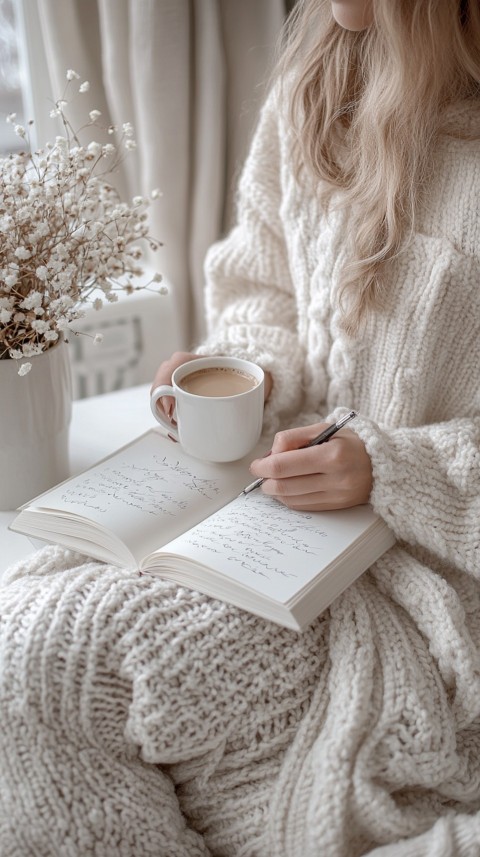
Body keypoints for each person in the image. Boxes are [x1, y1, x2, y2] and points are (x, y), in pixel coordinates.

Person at [1, 1, 480, 855]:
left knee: (47, 662)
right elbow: (266, 293)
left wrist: (391, 467)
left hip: (419, 575)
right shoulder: (314, 85)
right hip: (268, 517)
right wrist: (240, 380)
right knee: (22, 644)